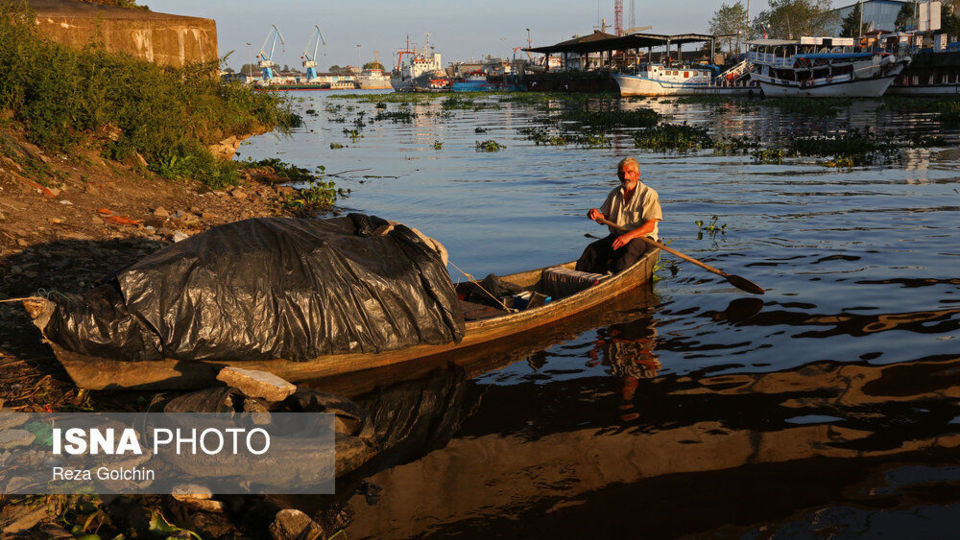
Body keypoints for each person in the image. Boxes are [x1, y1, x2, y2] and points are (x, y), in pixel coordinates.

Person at [576, 157, 662, 274]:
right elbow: (604, 219)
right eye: (622, 173)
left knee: (629, 250)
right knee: (592, 250)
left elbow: (649, 226)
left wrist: (628, 236)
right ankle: (581, 276)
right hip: (619, 236)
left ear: (637, 174)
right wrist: (596, 215)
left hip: (643, 238)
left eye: (629, 172)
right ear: (618, 175)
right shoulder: (615, 193)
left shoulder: (648, 194)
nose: (625, 176)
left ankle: (612, 277)